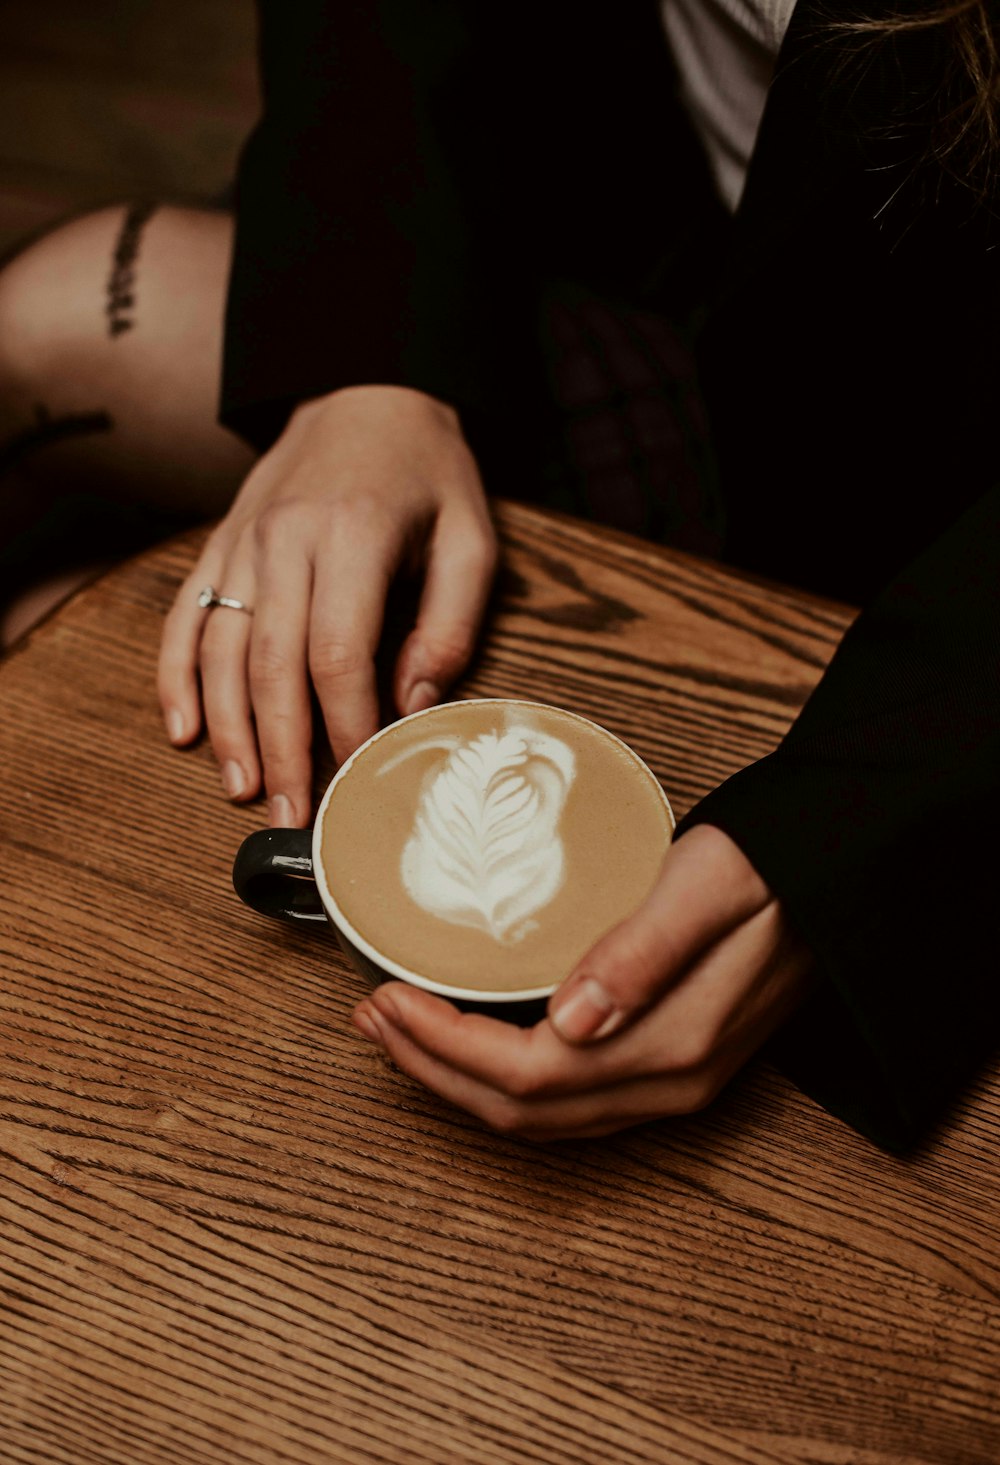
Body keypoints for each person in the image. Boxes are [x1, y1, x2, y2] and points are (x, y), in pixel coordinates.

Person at [1, 1, 997, 1150]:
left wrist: (853, 842)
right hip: (631, 228)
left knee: (65, 620)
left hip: (932, 511)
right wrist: (365, 377)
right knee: (55, 323)